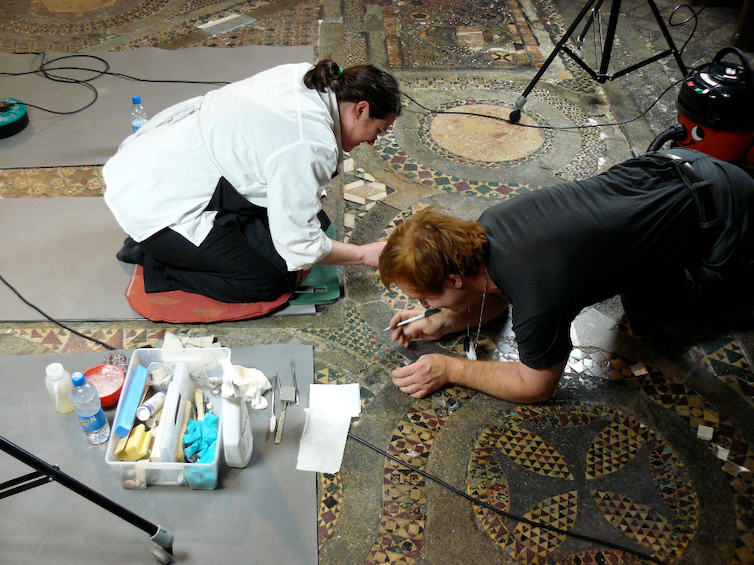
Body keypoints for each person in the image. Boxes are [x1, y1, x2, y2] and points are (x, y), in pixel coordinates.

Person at [379, 148, 754, 403]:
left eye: (426, 300)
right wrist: (447, 320)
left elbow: (536, 384)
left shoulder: (536, 296)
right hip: (668, 168)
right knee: (641, 307)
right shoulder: (488, 227)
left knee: (661, 315)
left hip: (725, 212)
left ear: (455, 280)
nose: (423, 307)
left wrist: (449, 368)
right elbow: (498, 294)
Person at [103, 58, 401, 303]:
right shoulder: (311, 143)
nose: (374, 142)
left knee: (316, 224)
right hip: (156, 203)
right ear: (361, 109)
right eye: (381, 130)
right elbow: (300, 245)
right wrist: (362, 255)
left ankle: (209, 243)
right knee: (269, 281)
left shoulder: (309, 77)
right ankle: (159, 260)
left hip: (170, 160)